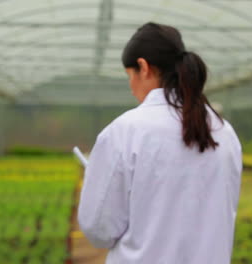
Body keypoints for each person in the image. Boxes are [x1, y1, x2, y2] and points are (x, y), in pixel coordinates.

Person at [78, 22, 242, 264]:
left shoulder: (125, 131)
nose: (131, 88)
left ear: (143, 67)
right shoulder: (224, 133)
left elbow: (99, 230)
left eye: (129, 75)